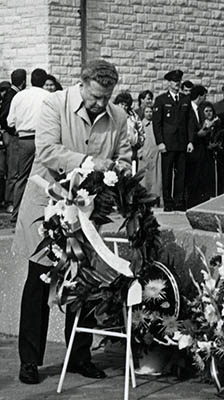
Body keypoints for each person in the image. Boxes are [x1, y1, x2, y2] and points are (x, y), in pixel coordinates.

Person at [14, 59, 132, 385]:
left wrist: (121, 169)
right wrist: (89, 162)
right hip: (47, 209)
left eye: (105, 99)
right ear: (82, 84)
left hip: (88, 214)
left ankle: (79, 355)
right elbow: (47, 150)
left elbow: (123, 158)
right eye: (94, 97)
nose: (99, 104)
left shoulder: (118, 117)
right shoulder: (54, 103)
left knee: (85, 282)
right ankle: (29, 360)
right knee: (39, 284)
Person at [7, 68, 49, 222]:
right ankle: (40, 211)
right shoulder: (48, 96)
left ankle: (17, 212)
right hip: (42, 138)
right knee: (43, 176)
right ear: (44, 82)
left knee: (22, 177)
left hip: (24, 138)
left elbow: (10, 121)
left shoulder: (19, 96)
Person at [153, 69, 193, 211]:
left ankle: (179, 202)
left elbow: (189, 121)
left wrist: (190, 141)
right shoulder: (161, 100)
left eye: (178, 82)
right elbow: (157, 123)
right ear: (169, 83)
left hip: (182, 143)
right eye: (174, 82)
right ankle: (168, 203)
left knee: (181, 174)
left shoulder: (185, 99)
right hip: (168, 144)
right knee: (167, 174)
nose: (177, 84)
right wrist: (160, 142)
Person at [0, 68, 27, 214]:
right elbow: (4, 117)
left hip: (14, 135)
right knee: (13, 170)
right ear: (24, 81)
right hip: (13, 137)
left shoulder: (13, 94)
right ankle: (10, 200)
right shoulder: (12, 95)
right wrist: (12, 131)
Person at [185, 85, 213, 208]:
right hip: (192, 147)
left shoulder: (199, 110)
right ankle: (191, 202)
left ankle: (199, 201)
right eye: (204, 95)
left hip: (201, 148)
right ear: (200, 96)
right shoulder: (188, 109)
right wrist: (197, 135)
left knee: (201, 176)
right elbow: (187, 128)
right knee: (192, 177)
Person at [138, 105, 162, 204]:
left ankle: (155, 198)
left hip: (155, 153)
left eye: (151, 112)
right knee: (144, 177)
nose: (149, 114)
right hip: (144, 153)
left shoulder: (156, 124)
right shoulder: (140, 124)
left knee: (156, 177)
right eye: (147, 112)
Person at [114, 90, 145, 161]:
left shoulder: (133, 116)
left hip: (132, 148)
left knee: (132, 170)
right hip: (117, 149)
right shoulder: (112, 116)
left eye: (126, 105)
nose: (124, 107)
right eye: (122, 104)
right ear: (117, 104)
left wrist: (139, 142)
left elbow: (141, 130)